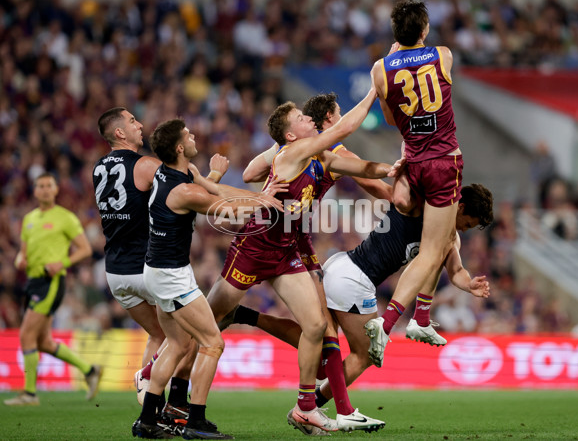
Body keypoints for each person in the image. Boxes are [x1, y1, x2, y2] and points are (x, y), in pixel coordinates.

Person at [207, 76, 399, 434]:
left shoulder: (320, 153)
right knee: (209, 318)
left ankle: (310, 406)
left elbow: (364, 171)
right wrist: (374, 88)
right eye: (303, 119)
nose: (309, 120)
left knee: (319, 328)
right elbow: (347, 137)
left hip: (291, 244)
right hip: (258, 243)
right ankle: (158, 373)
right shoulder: (306, 150)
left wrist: (395, 169)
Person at [222, 184, 493, 405]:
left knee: (318, 352)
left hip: (341, 267)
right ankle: (313, 407)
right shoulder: (419, 207)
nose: (462, 230)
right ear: (461, 206)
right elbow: (387, 187)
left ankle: (244, 315)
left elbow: (456, 270)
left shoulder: (448, 238)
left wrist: (469, 284)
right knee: (365, 356)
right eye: (466, 223)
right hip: (356, 279)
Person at [132, 118, 283, 440]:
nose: (194, 136)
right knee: (212, 342)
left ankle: (147, 421)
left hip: (159, 271)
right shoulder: (183, 189)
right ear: (178, 148)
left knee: (177, 344)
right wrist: (263, 201)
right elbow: (228, 209)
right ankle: (195, 422)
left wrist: (258, 195)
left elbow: (216, 189)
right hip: (171, 278)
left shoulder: (175, 173)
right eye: (188, 135)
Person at [95, 107, 228, 427]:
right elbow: (185, 193)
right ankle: (174, 404)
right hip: (148, 266)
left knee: (160, 335)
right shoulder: (146, 165)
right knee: (194, 338)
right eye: (131, 122)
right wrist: (213, 177)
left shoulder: (100, 167)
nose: (139, 125)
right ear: (119, 134)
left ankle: (152, 409)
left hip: (115, 271)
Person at [366, 0, 465, 366]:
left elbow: (391, 121)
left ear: (395, 33)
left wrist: (393, 60)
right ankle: (389, 321)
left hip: (412, 163)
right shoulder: (443, 55)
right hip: (444, 162)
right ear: (424, 30)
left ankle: (421, 318)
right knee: (434, 250)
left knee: (440, 243)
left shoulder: (380, 69)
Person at [4, 173, 102, 406]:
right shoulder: (29, 219)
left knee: (26, 334)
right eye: (40, 186)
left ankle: (29, 394)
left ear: (56, 190)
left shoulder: (65, 218)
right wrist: (20, 259)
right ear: (35, 191)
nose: (45, 190)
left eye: (49, 185)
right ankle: (90, 370)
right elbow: (23, 252)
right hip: (32, 283)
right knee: (44, 342)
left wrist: (63, 263)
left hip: (51, 282)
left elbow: (85, 249)